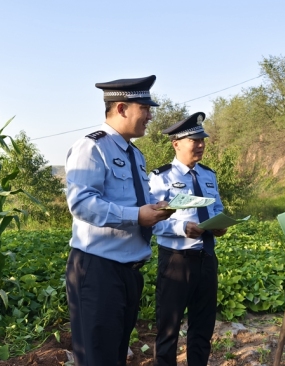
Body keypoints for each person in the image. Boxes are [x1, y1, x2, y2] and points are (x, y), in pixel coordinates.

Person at [65, 75, 174, 366]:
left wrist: (155, 211)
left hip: (127, 273)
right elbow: (81, 202)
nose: (150, 115)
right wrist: (136, 215)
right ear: (122, 108)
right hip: (98, 271)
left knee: (115, 356)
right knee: (97, 357)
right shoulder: (92, 147)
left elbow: (134, 203)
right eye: (145, 108)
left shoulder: (134, 155)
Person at [148, 112, 227, 366]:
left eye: (203, 139)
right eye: (195, 140)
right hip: (176, 262)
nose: (201, 144)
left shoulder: (208, 175)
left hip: (206, 258)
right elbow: (152, 223)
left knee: (202, 329)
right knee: (168, 330)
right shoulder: (162, 177)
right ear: (177, 143)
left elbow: (216, 210)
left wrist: (219, 225)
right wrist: (183, 228)